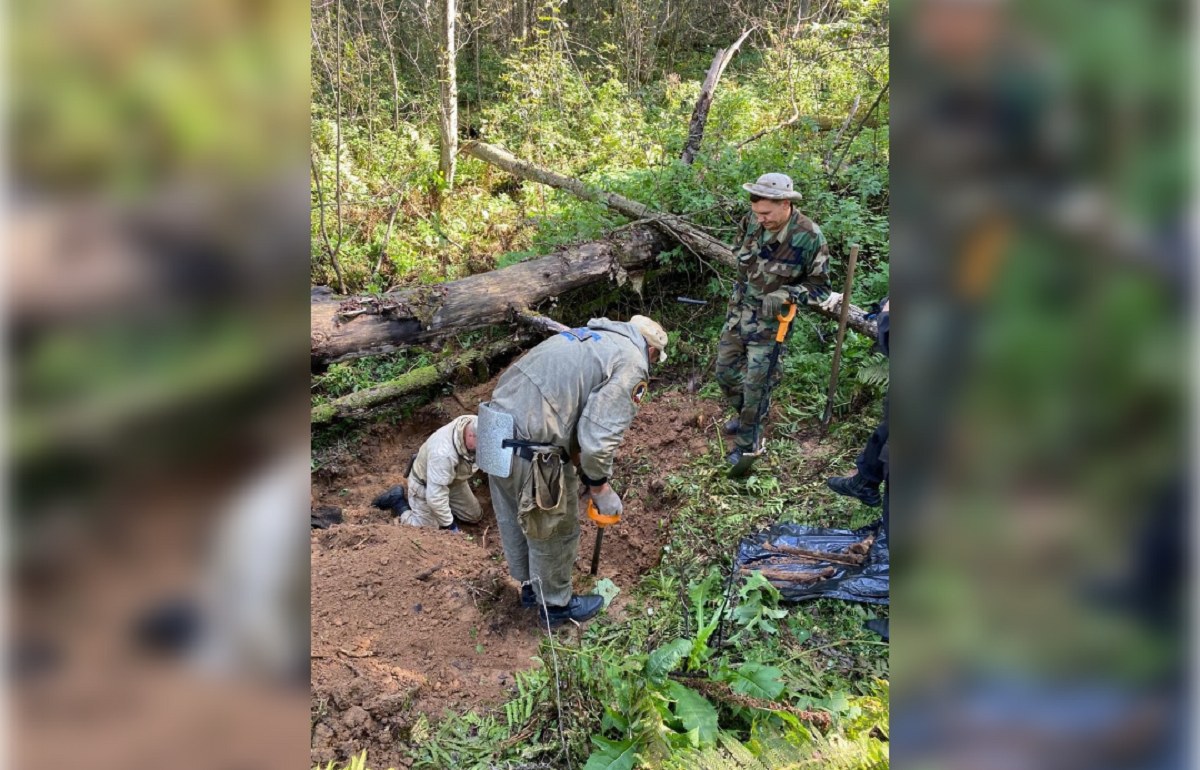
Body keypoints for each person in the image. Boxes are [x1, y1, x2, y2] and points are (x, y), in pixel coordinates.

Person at [483, 315, 668, 627]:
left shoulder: (592, 337)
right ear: (651, 352)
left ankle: (531, 589)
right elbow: (599, 439)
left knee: (515, 515)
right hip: (533, 445)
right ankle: (555, 608)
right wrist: (599, 487)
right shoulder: (632, 362)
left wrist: (582, 468)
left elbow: (573, 409)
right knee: (555, 528)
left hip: (492, 428)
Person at [716, 173, 831, 465]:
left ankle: (746, 444)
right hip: (738, 313)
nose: (760, 219)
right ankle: (747, 418)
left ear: (785, 204)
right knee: (725, 373)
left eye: (766, 213)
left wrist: (788, 293)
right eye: (756, 213)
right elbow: (738, 252)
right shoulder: (752, 221)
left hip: (770, 326)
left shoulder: (809, 236)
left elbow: (820, 289)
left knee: (757, 385)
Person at [400, 415, 483, 529]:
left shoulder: (473, 422)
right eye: (482, 445)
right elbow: (435, 497)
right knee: (428, 530)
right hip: (425, 485)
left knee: (474, 516)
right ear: (470, 435)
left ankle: (444, 509)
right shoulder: (443, 454)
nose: (484, 450)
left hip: (453, 480)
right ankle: (399, 503)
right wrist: (450, 525)